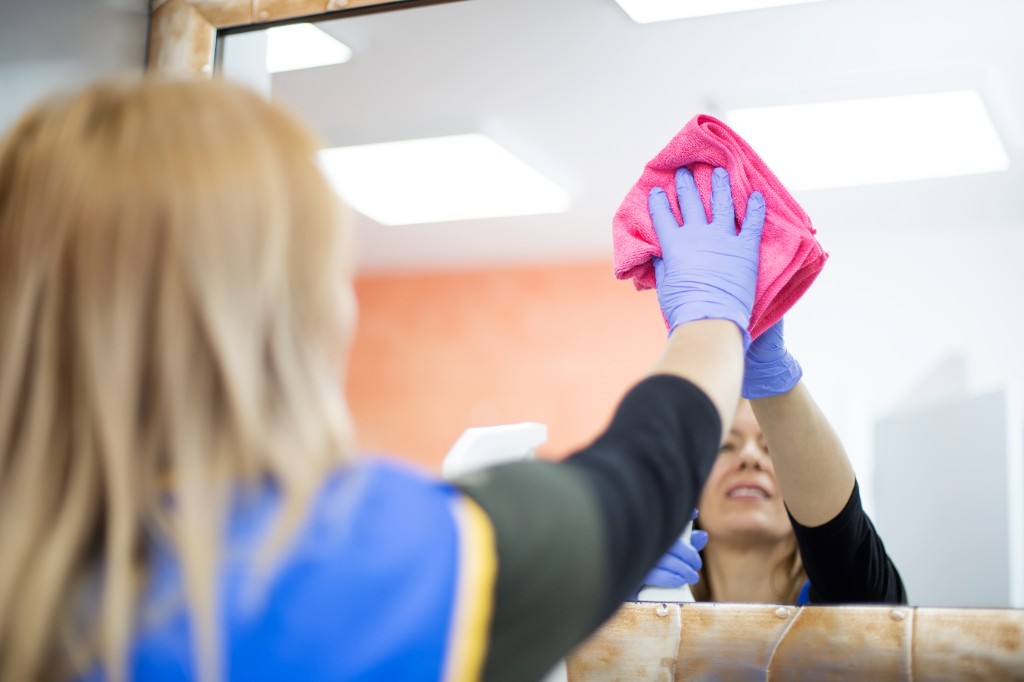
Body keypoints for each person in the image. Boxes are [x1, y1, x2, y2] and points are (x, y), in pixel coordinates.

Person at [0, 77, 767, 682]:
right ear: (271, 322)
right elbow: (637, 480)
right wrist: (710, 316)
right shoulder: (346, 566)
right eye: (327, 273)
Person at [637, 171, 907, 605]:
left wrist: (771, 378)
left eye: (771, 448)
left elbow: (843, 537)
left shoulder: (853, 604)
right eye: (726, 446)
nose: (749, 458)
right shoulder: (647, 612)